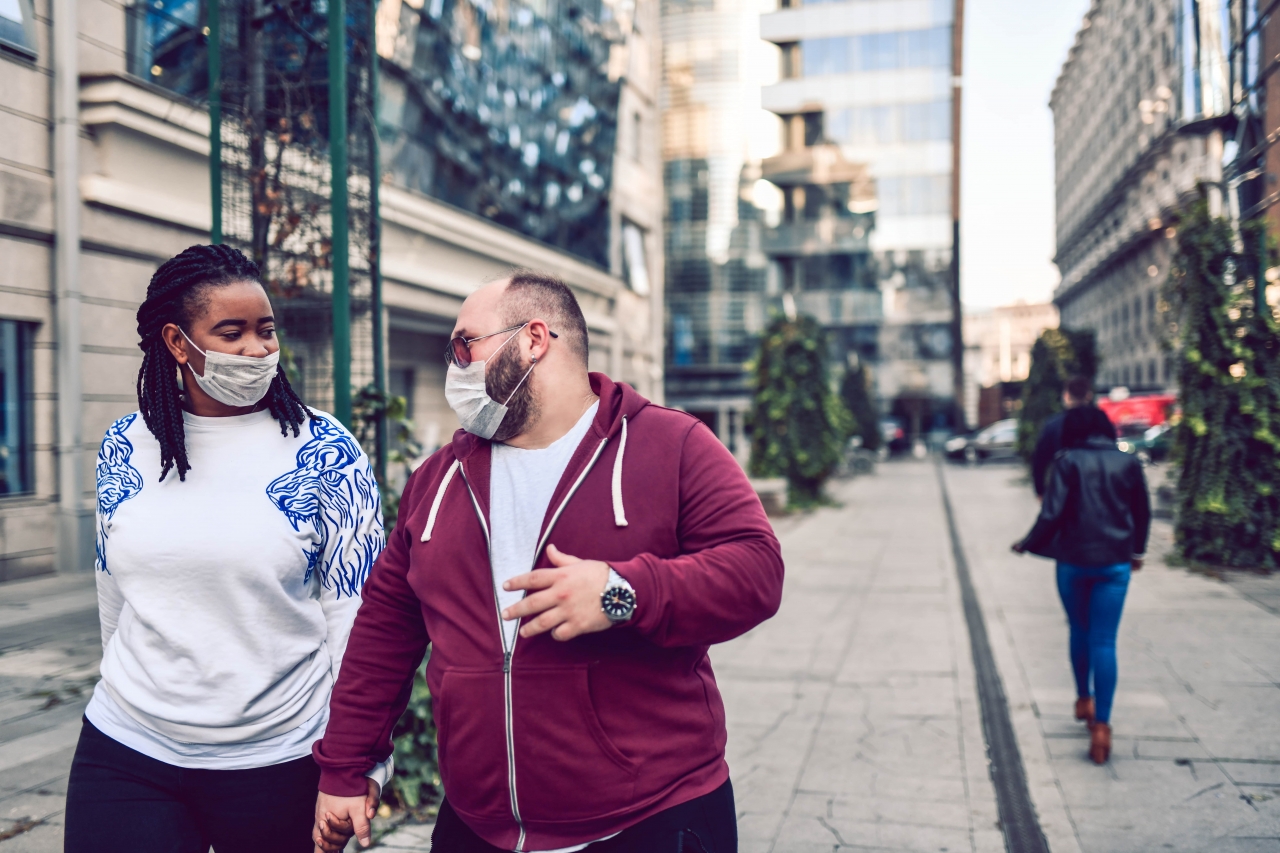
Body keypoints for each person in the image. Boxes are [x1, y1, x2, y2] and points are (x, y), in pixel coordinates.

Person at [311, 270, 784, 853]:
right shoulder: (438, 479)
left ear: (534, 338)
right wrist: (346, 766)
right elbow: (386, 630)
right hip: (476, 824)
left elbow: (757, 571)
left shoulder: (672, 444)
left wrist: (623, 591)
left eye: (465, 345)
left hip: (650, 819)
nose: (453, 368)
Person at [65, 245, 388, 853]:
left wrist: (355, 763)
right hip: (128, 745)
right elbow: (114, 592)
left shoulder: (324, 449)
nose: (257, 349)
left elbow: (359, 622)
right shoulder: (126, 444)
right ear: (178, 343)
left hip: (279, 759)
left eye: (266, 330)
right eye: (231, 332)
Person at [1012, 405, 1150, 764]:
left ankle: (1082, 697)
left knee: (1079, 629)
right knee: (1105, 640)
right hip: (1115, 563)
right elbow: (1142, 512)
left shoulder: (1067, 460)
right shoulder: (1129, 461)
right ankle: (1102, 727)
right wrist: (1136, 552)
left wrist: (1027, 543)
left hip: (1073, 561)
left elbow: (1052, 512)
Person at [1031, 376, 1114, 498]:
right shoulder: (1102, 420)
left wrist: (1040, 490)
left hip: (1066, 490)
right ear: (1089, 395)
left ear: (1066, 396)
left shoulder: (1054, 424)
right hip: (1100, 489)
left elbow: (1039, 461)